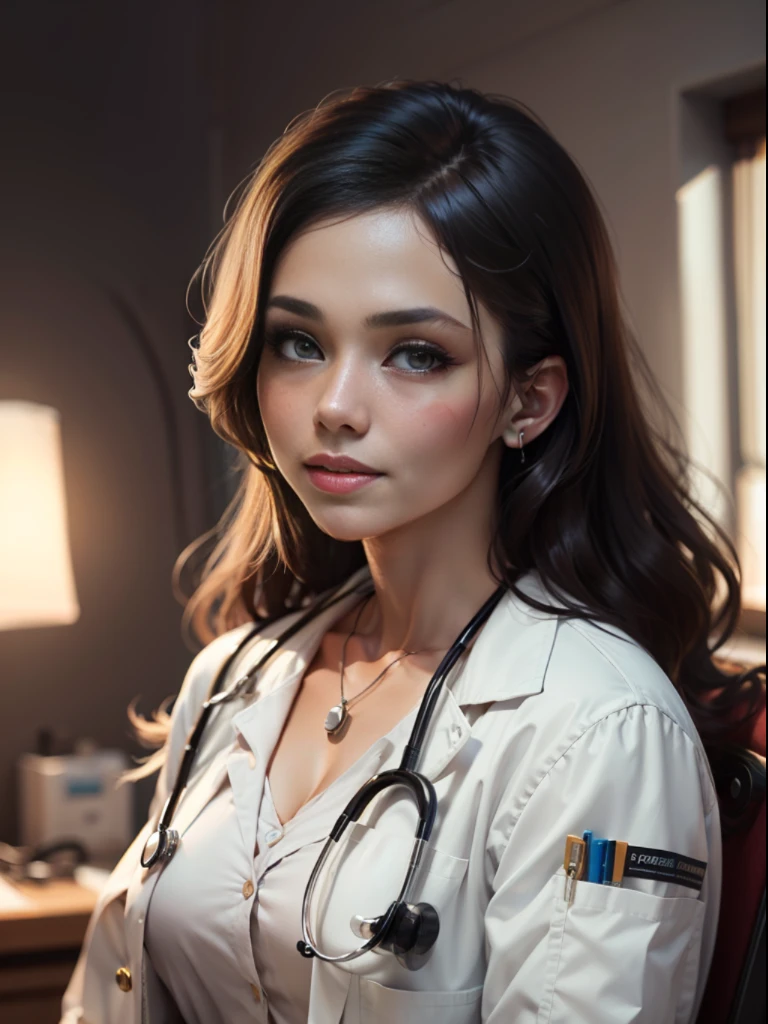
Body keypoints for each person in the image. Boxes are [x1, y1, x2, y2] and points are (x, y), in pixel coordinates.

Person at [61, 79, 764, 1024]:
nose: (335, 406)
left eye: (416, 354)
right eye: (298, 341)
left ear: (530, 400)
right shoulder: (236, 674)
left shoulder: (600, 728)